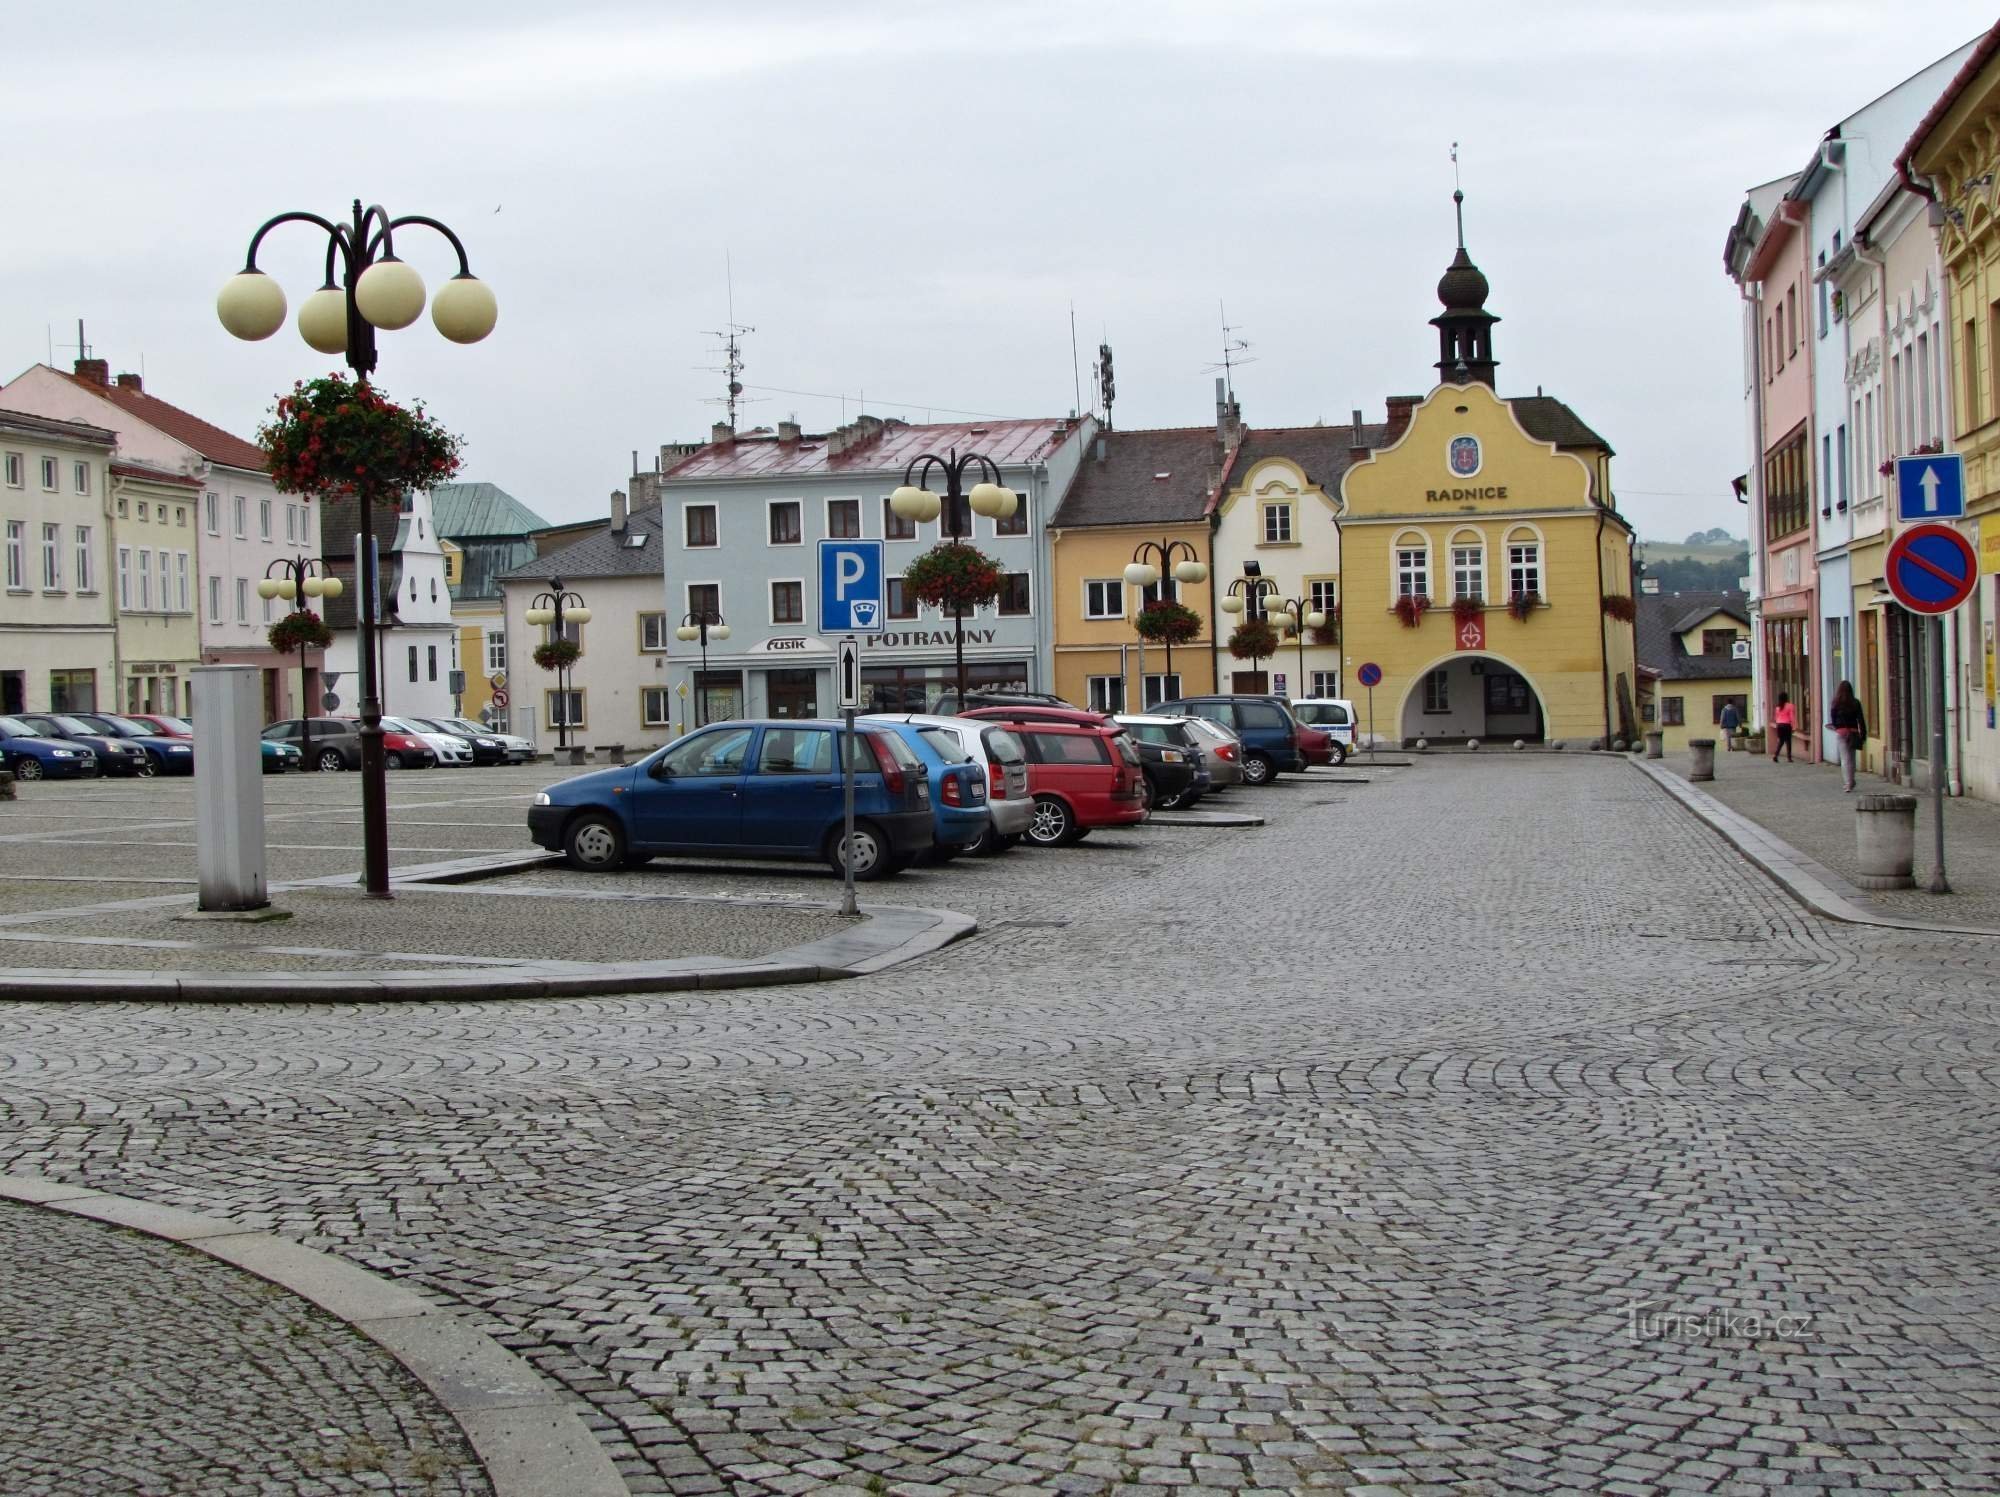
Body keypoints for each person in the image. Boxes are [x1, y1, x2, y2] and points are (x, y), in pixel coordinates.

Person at [1829, 680, 1867, 792]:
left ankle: (1848, 783)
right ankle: (1851, 780)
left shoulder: (1835, 703)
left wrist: (1837, 727)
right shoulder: (1855, 703)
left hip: (1841, 733)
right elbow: (1861, 720)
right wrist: (1863, 734)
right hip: (1853, 732)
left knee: (1845, 759)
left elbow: (1833, 719)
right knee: (1852, 758)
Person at [1772, 692, 1796, 763]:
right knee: (1788, 741)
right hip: (1786, 725)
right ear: (1786, 698)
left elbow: (1776, 718)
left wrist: (1777, 725)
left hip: (1779, 725)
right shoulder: (1790, 706)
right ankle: (1789, 758)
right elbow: (1792, 717)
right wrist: (1794, 727)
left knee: (1781, 741)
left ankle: (1775, 755)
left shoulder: (1777, 707)